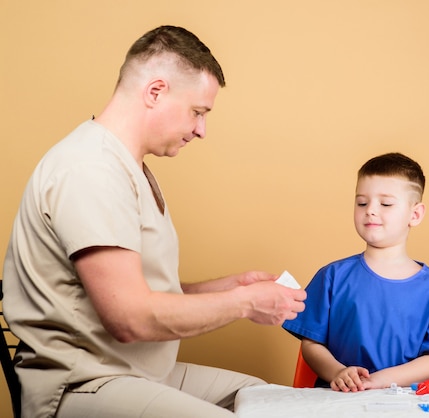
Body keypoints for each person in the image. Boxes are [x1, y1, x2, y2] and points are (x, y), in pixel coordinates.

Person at [2, 25, 306, 418]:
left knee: (260, 397)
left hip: (133, 369)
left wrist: (228, 287)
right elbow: (128, 317)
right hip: (83, 382)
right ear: (156, 92)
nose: (201, 129)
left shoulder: (127, 165)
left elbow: (135, 289)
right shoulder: (90, 168)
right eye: (198, 111)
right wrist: (244, 303)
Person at [282, 152, 429, 392]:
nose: (371, 210)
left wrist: (381, 380)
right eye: (362, 203)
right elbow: (311, 343)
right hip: (339, 400)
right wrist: (338, 372)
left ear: (415, 214)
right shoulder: (332, 277)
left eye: (386, 204)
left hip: (407, 404)